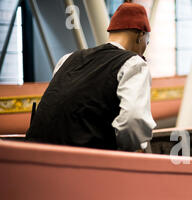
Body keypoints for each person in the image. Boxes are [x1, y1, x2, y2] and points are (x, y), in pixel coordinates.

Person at [26, 3, 156, 152]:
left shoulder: (67, 59)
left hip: (34, 154)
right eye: (148, 41)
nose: (146, 47)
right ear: (140, 35)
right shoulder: (133, 63)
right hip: (84, 164)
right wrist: (129, 150)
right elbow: (133, 120)